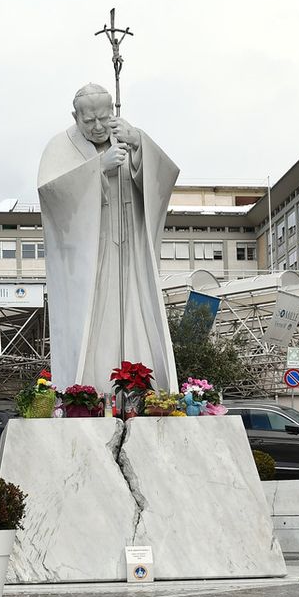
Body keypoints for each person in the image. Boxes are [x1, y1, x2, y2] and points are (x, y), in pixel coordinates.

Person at [38, 83, 181, 397]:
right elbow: (52, 195)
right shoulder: (59, 147)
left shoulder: (128, 136)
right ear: (75, 117)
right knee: (97, 321)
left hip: (130, 250)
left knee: (136, 311)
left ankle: (144, 387)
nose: (98, 126)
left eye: (103, 118)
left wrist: (139, 146)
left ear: (113, 109)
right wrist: (98, 170)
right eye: (89, 122)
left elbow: (164, 178)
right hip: (93, 253)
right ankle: (88, 392)